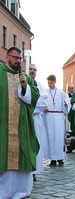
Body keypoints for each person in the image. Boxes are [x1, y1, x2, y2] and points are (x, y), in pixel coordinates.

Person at [0, 47, 40, 198]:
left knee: (22, 157)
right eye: (15, 58)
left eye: (20, 58)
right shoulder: (0, 73)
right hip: (3, 124)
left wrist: (25, 87)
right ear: (7, 57)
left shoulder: (25, 77)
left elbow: (34, 97)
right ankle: (3, 192)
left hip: (22, 126)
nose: (18, 61)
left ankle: (21, 191)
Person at [43, 75, 70, 166]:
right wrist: (44, 109)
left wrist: (66, 105)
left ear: (55, 82)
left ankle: (60, 157)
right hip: (49, 117)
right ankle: (53, 159)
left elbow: (67, 104)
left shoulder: (61, 93)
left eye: (51, 82)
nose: (49, 84)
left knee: (59, 138)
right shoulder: (45, 93)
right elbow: (41, 103)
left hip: (58, 116)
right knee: (51, 138)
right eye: (48, 83)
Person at [29, 64, 49, 181]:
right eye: (30, 69)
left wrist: (28, 107)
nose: (32, 71)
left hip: (35, 119)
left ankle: (34, 171)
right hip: (23, 119)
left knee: (36, 143)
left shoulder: (40, 87)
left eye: (34, 69)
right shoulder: (21, 83)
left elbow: (43, 103)